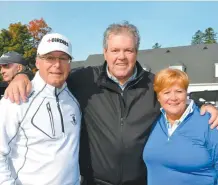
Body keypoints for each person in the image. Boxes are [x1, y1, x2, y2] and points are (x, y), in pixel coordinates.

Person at [4, 21, 218, 185]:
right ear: (105, 52)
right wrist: (21, 78)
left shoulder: (153, 84)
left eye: (128, 50)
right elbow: (52, 75)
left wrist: (205, 107)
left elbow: (178, 98)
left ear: (136, 53)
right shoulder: (83, 80)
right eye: (115, 50)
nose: (121, 57)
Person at [0, 33, 81, 185]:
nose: (57, 65)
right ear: (37, 62)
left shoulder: (75, 98)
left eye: (63, 58)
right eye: (49, 57)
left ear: (69, 63)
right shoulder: (15, 98)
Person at [143, 68, 218, 185]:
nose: (173, 98)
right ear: (158, 97)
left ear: (186, 93)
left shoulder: (209, 122)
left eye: (179, 91)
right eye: (166, 92)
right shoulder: (153, 121)